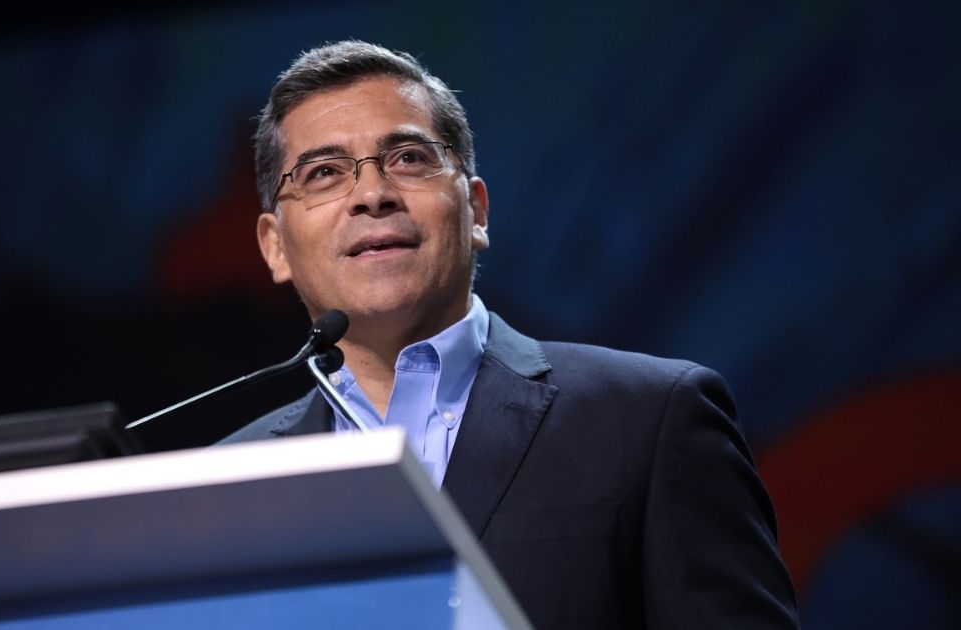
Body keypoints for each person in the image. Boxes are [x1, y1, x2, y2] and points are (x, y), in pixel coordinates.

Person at [222, 40, 799, 629]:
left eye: (410, 159)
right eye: (323, 173)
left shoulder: (650, 418)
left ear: (476, 211)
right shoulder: (229, 485)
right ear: (274, 245)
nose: (373, 195)